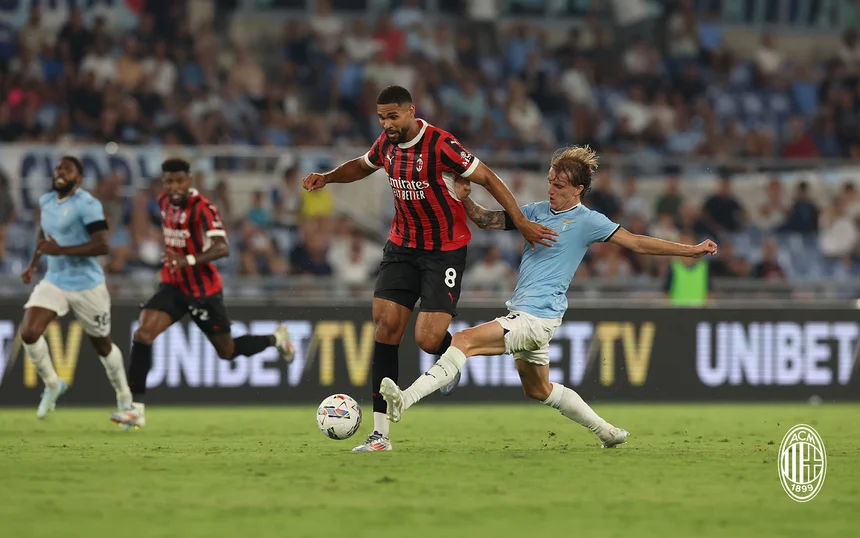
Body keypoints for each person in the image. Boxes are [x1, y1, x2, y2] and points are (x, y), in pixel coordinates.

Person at [379, 146, 718, 448]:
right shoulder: (538, 211)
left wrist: (689, 250)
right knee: (538, 390)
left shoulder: (588, 221)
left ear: (578, 190)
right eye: (550, 181)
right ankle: (608, 433)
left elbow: (637, 243)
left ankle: (404, 401)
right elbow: (485, 219)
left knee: (464, 340)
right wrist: (464, 195)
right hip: (532, 315)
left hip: (536, 317)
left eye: (559, 186)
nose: (551, 189)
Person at [301, 85, 557, 452]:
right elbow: (362, 165)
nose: (387, 124)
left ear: (410, 111)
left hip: (444, 252)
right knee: (386, 326)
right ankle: (380, 436)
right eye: (381, 118)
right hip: (402, 247)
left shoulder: (440, 144)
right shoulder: (386, 145)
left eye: (393, 116)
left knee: (427, 338)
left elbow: (488, 178)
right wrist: (327, 176)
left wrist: (521, 221)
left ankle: (449, 355)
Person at [110, 159, 295, 430]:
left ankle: (276, 338)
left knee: (227, 351)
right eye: (169, 181)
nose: (173, 187)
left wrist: (189, 260)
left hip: (203, 291)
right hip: (173, 285)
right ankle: (135, 410)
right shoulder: (162, 201)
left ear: (189, 181)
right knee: (143, 333)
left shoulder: (203, 209)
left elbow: (223, 248)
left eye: (179, 181)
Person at [20, 156, 131, 418]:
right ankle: (52, 383)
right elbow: (43, 235)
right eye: (58, 168)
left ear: (78, 178)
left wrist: (61, 250)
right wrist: (33, 264)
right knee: (29, 332)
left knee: (103, 346)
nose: (60, 172)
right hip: (55, 280)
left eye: (67, 170)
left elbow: (103, 245)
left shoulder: (88, 204)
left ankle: (124, 395)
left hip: (87, 285)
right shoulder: (46, 201)